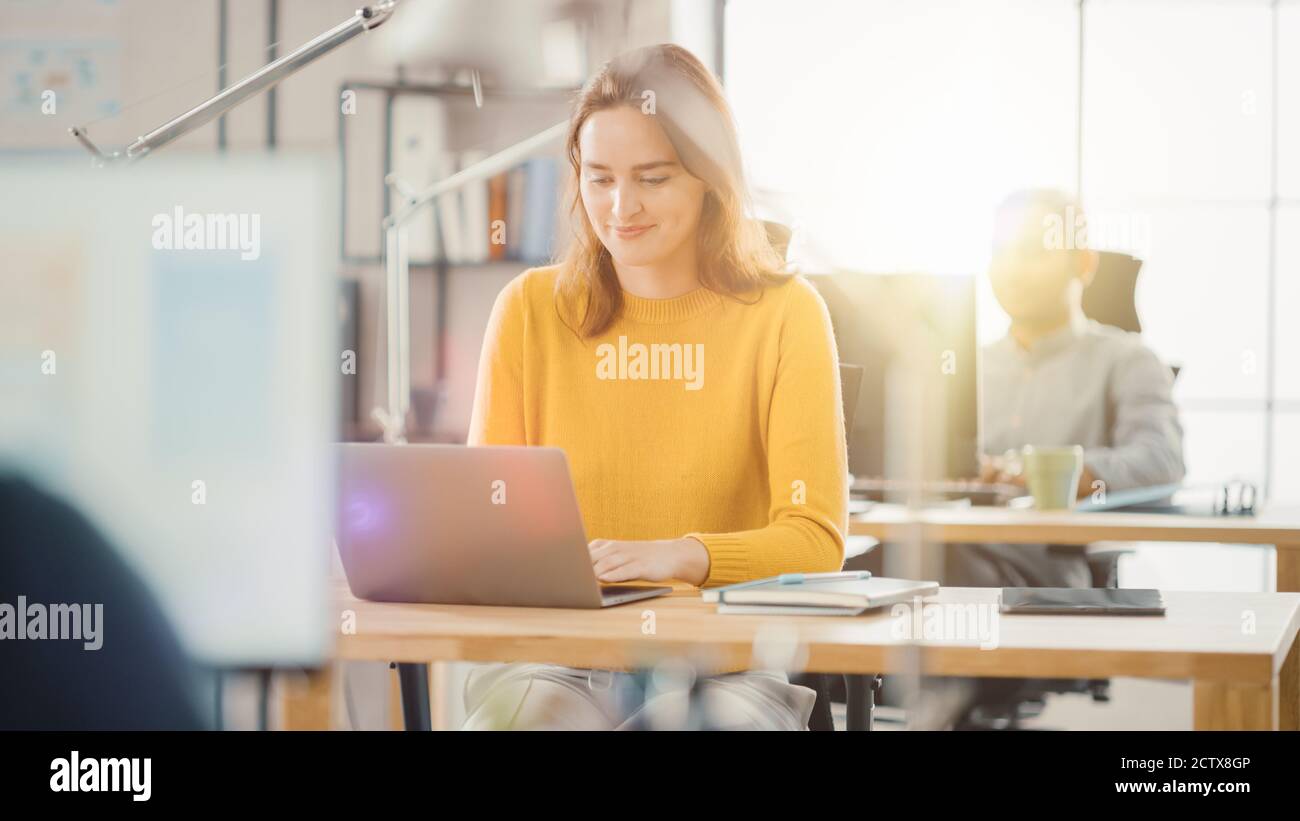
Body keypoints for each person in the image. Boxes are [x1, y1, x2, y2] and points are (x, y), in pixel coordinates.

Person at [461, 43, 848, 730]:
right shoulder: (528, 310)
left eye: (653, 178)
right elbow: (484, 524)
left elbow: (815, 537)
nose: (621, 207)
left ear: (709, 177)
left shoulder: (787, 314)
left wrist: (686, 553)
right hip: (552, 657)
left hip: (724, 664)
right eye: (600, 178)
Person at [948, 188, 1186, 589]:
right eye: (1000, 252)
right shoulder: (964, 366)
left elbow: (1160, 461)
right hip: (946, 547)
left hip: (1049, 569)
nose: (1012, 269)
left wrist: (1029, 472)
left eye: (1033, 252)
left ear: (1084, 263)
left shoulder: (1128, 360)